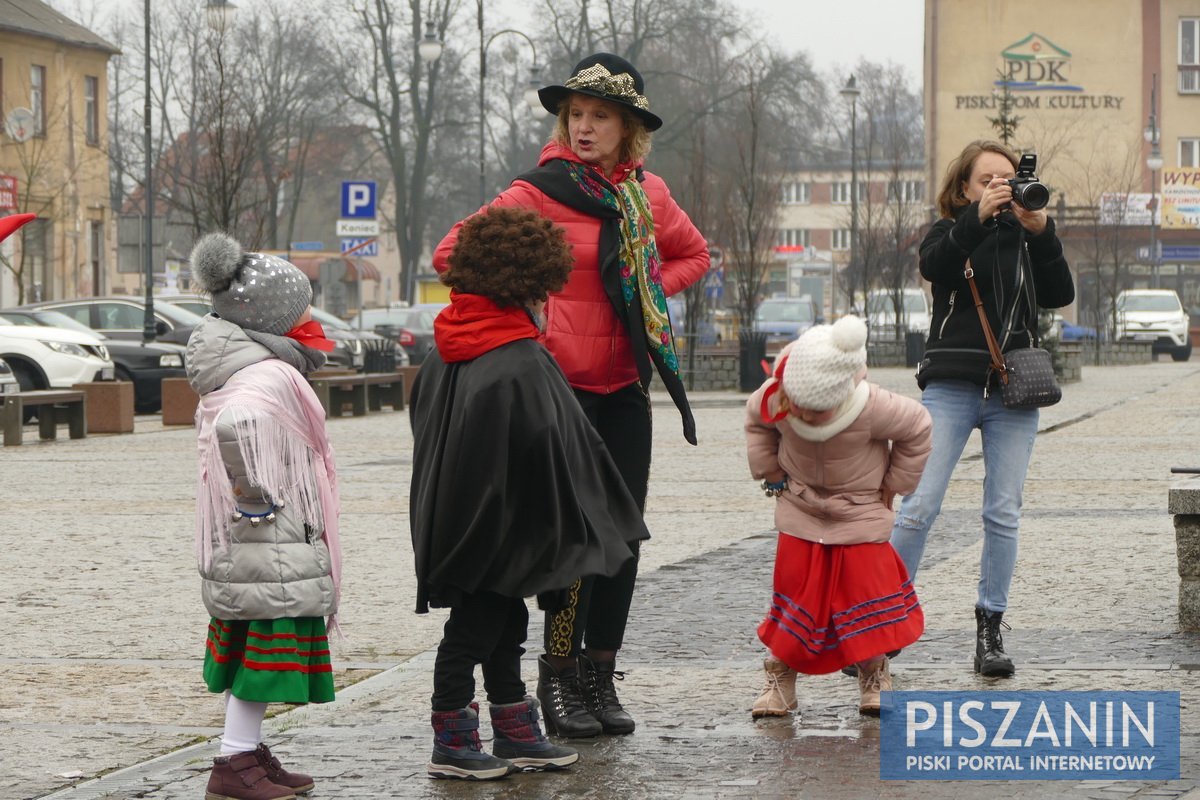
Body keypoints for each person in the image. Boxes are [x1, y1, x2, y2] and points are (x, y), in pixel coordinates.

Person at [432, 52, 709, 737]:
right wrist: (529, 302)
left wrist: (643, 291)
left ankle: (599, 675)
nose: (585, 128)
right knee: (573, 544)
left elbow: (694, 255)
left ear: (628, 130)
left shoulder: (649, 195)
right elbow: (450, 255)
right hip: (558, 393)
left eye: (600, 117)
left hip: (624, 389)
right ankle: (556, 679)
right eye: (576, 115)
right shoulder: (536, 192)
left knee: (622, 541)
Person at [411, 206, 649, 779]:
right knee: (470, 635)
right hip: (505, 528)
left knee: (506, 628)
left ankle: (514, 725)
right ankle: (452, 736)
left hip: (457, 521)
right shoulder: (521, 359)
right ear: (532, 285)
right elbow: (559, 448)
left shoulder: (448, 347)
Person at [890, 140, 1075, 677]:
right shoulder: (949, 230)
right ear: (965, 188)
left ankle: (990, 629)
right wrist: (977, 219)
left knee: (1003, 512)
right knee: (919, 505)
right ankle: (884, 623)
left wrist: (1043, 233)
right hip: (951, 385)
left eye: (1008, 179)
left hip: (1012, 388)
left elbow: (1058, 294)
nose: (1001, 187)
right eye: (988, 180)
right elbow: (935, 268)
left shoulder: (1025, 238)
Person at [187, 232, 342, 800]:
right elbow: (237, 428)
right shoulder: (268, 375)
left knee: (250, 644)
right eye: (299, 306)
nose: (308, 315)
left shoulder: (242, 365)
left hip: (254, 544)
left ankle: (245, 750)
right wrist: (255, 496)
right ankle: (232, 762)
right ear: (273, 316)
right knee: (262, 649)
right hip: (266, 540)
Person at [745, 316, 932, 717]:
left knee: (869, 598)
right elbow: (756, 423)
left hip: (860, 513)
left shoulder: (872, 405)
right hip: (800, 509)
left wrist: (893, 484)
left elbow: (918, 427)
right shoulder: (777, 395)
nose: (807, 417)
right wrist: (771, 472)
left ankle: (873, 674)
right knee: (796, 598)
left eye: (818, 411)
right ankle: (781, 679)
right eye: (802, 409)